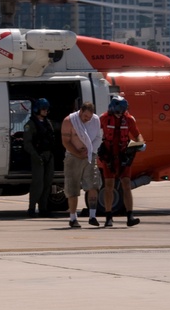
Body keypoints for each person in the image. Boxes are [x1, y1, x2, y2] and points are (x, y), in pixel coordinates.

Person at [98, 96, 145, 227]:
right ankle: (108, 217)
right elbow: (94, 132)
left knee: (126, 184)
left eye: (122, 111)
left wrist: (140, 143)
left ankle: (130, 215)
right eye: (118, 110)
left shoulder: (129, 119)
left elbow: (137, 134)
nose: (120, 113)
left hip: (124, 155)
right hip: (108, 156)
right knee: (108, 186)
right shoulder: (103, 118)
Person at [60, 101, 102, 229]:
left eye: (89, 117)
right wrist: (78, 153)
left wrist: (90, 151)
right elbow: (66, 142)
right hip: (73, 157)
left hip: (90, 156)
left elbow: (99, 137)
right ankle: (73, 218)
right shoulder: (69, 121)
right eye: (85, 117)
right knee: (72, 188)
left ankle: (92, 216)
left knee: (93, 185)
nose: (87, 119)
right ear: (80, 112)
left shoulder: (95, 120)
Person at [22, 98, 55, 217]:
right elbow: (27, 143)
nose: (46, 111)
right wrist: (36, 156)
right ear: (37, 110)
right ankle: (31, 208)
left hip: (48, 156)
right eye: (43, 109)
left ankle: (43, 208)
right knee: (38, 184)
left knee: (47, 183)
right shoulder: (30, 125)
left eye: (47, 109)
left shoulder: (48, 123)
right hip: (37, 156)